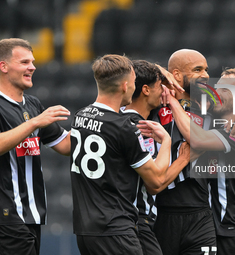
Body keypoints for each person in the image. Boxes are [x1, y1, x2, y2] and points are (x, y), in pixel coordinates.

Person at [70, 54, 177, 255]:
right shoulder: (124, 127)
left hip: (84, 230)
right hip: (115, 228)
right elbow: (155, 180)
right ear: (125, 86)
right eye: (135, 82)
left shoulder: (81, 116)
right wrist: (166, 142)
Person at [148, 66, 235, 255]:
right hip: (206, 227)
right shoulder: (211, 117)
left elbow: (198, 140)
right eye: (218, 87)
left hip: (232, 232)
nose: (216, 93)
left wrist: (173, 102)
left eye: (226, 89)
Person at [0, 38, 71, 255]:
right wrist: (34, 123)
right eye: (24, 62)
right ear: (3, 66)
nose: (32, 67)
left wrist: (99, 124)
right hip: (6, 216)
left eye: (32, 61)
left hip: (32, 216)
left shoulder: (32, 104)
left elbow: (66, 146)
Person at [147, 49, 217, 255]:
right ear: (175, 74)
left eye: (206, 69)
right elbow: (131, 69)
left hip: (200, 212)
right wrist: (161, 73)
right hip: (161, 212)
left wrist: (174, 102)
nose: (205, 75)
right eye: (197, 69)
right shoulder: (153, 104)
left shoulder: (210, 105)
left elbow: (195, 138)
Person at [122, 59, 190, 255]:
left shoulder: (120, 117)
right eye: (161, 86)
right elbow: (155, 185)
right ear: (145, 90)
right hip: (137, 219)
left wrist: (161, 73)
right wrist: (183, 159)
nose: (165, 91)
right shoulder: (141, 128)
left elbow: (131, 67)